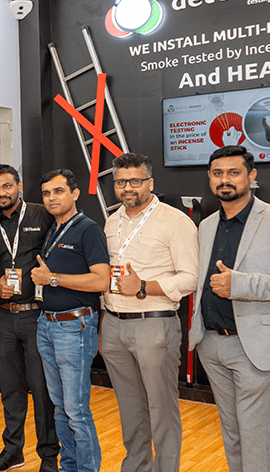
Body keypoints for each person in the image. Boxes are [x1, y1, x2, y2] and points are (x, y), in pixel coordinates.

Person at [189, 145, 270, 472]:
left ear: (252, 176)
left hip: (255, 347)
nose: (225, 180)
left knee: (258, 438)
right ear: (210, 178)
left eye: (234, 173)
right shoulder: (207, 225)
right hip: (211, 345)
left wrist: (241, 285)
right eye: (218, 173)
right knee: (233, 434)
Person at [100, 153, 198, 472]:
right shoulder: (111, 221)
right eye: (120, 182)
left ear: (150, 183)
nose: (127, 188)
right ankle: (136, 467)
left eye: (135, 181)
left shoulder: (175, 221)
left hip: (153, 325)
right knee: (130, 409)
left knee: (161, 409)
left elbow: (190, 278)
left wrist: (143, 286)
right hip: (114, 324)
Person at [0, 165, 58, 472]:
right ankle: (13, 451)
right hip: (2, 318)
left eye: (7, 186)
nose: (1, 193)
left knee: (41, 389)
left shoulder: (42, 215)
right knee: (10, 390)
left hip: (36, 316)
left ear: (19, 186)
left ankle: (48, 456)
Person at [30, 169, 108, 472]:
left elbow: (101, 280)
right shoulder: (53, 229)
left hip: (74, 327)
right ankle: (69, 467)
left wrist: (52, 279)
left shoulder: (89, 229)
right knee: (60, 407)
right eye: (46, 193)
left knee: (76, 410)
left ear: (75, 194)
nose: (51, 198)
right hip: (47, 325)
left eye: (58, 191)